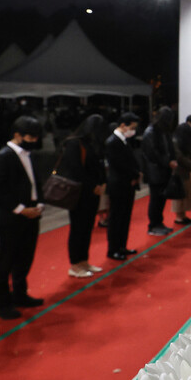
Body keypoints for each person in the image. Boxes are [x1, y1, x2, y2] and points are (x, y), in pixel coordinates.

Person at [0, 116, 45, 320]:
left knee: (25, 257)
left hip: (31, 214)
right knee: (6, 260)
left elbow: (34, 182)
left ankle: (20, 293)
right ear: (17, 135)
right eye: (30, 136)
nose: (33, 140)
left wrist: (39, 203)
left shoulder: (29, 155)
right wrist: (20, 209)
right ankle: (1, 303)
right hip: (11, 218)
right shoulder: (3, 156)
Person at [62, 114, 107, 277]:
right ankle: (75, 264)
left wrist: (101, 183)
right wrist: (92, 186)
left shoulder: (91, 144)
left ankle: (84, 261)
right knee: (78, 229)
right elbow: (75, 170)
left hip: (92, 193)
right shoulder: (74, 144)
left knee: (87, 228)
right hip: (79, 193)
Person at [104, 112, 142, 260]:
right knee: (116, 218)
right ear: (122, 125)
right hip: (119, 185)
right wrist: (133, 174)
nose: (133, 131)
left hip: (127, 184)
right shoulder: (112, 142)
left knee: (125, 217)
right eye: (131, 127)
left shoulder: (123, 140)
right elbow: (118, 164)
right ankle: (113, 249)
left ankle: (122, 246)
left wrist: (136, 174)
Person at [142, 106, 177, 236]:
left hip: (163, 170)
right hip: (155, 172)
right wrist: (168, 161)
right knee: (156, 199)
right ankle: (153, 225)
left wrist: (172, 160)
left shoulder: (163, 131)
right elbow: (152, 154)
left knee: (161, 198)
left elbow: (170, 148)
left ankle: (159, 223)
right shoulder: (151, 132)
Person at [170, 114, 191, 224]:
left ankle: (183, 215)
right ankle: (179, 217)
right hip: (180, 172)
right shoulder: (176, 142)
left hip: (186, 171)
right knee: (179, 195)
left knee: (185, 194)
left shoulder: (184, 140)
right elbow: (180, 157)